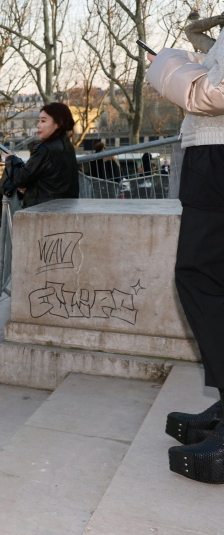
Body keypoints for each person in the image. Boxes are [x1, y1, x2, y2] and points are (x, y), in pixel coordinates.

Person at [146, 37, 224, 484]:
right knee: (206, 280)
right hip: (210, 152)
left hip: (217, 156)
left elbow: (211, 93)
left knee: (201, 280)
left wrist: (166, 66)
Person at [4, 102, 79, 208]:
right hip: (64, 207)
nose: (38, 125)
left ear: (57, 124)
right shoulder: (66, 145)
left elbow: (20, 179)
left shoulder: (44, 149)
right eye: (38, 121)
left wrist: (10, 159)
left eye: (43, 121)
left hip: (42, 209)